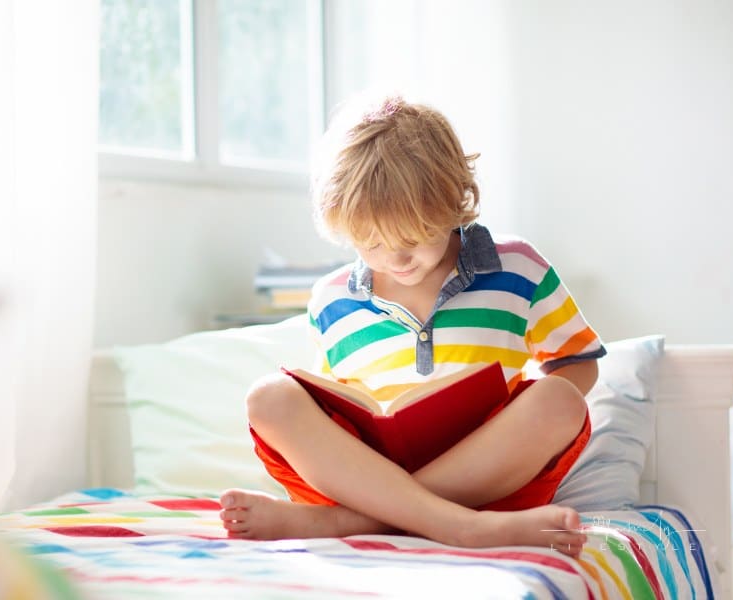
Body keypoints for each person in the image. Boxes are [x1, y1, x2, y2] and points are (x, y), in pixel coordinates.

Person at [218, 95, 606, 557]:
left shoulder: (518, 267)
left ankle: (347, 523)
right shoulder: (331, 298)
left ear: (454, 202)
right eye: (372, 243)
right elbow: (339, 414)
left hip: (489, 479)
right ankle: (458, 527)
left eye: (412, 239)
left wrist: (524, 413)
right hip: (370, 475)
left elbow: (579, 364)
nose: (395, 259)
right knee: (269, 397)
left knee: (560, 399)